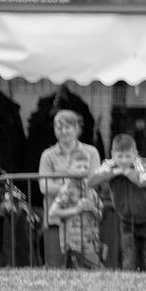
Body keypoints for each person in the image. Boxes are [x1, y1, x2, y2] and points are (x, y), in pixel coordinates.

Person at [37, 109, 102, 268]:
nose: (63, 131)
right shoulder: (48, 155)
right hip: (55, 218)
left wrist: (61, 182)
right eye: (59, 127)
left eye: (67, 127)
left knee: (87, 267)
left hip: (84, 221)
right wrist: (71, 184)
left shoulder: (91, 152)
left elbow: (93, 181)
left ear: (77, 128)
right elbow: (44, 186)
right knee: (55, 266)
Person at [88, 134, 146, 271]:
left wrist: (127, 172)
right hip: (126, 220)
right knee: (128, 260)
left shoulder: (141, 162)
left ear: (135, 154)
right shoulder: (109, 164)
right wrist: (115, 172)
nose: (123, 160)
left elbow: (145, 181)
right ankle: (129, 284)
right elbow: (91, 180)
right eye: (119, 156)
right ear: (112, 154)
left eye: (128, 156)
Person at [47, 151, 104, 269]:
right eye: (78, 166)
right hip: (74, 242)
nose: (82, 170)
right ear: (69, 167)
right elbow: (52, 212)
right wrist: (76, 210)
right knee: (99, 271)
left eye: (85, 167)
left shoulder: (90, 188)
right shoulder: (67, 189)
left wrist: (92, 208)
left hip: (91, 240)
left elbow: (100, 215)